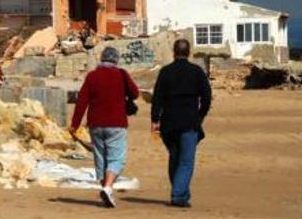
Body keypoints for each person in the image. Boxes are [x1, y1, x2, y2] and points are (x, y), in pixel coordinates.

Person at [70, 46, 140, 208]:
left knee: (100, 158)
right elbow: (135, 93)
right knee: (116, 158)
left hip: (95, 123)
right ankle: (108, 188)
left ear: (102, 59)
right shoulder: (121, 74)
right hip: (116, 123)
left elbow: (82, 102)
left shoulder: (92, 76)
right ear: (116, 59)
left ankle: (105, 192)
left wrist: (75, 124)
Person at [150, 38, 212, 208]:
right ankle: (178, 195)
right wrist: (200, 115)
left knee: (175, 159)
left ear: (174, 52)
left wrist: (155, 119)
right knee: (185, 161)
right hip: (189, 121)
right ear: (189, 52)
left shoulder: (165, 72)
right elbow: (206, 97)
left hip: (169, 122)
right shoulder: (196, 71)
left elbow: (157, 98)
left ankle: (182, 194)